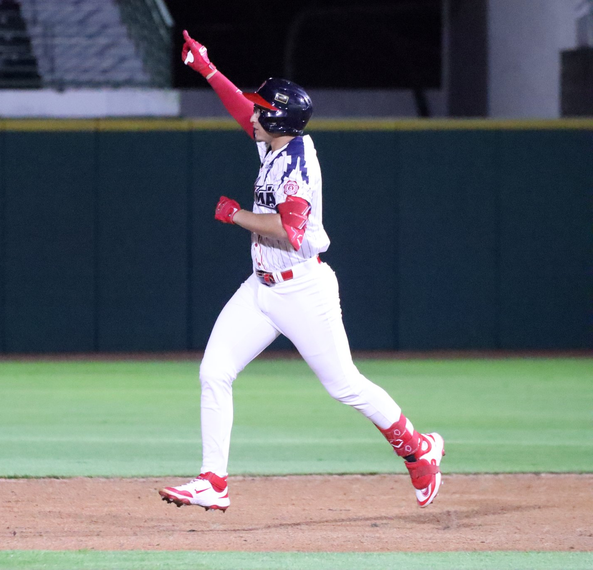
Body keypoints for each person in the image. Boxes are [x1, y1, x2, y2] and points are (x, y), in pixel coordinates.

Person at [159, 31, 445, 512]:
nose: (253, 112)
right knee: (214, 372)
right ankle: (214, 481)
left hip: (303, 289)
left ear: (276, 118)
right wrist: (206, 69)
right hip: (262, 288)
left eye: (261, 107)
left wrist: (236, 217)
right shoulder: (274, 143)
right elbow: (239, 111)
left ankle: (418, 451)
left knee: (345, 385)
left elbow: (291, 229)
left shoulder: (295, 164)